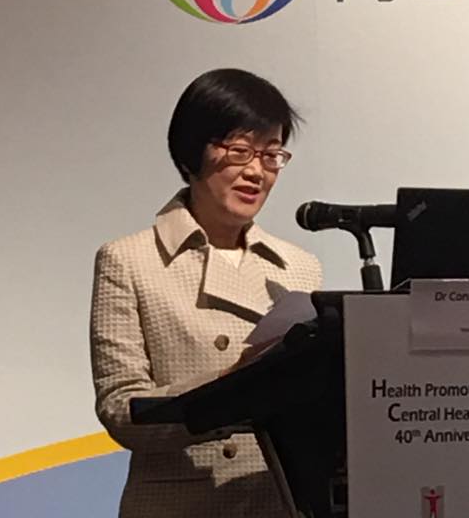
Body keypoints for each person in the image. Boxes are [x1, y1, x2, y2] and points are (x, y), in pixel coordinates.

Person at [90, 68, 322, 518]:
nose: (256, 171)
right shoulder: (128, 260)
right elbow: (121, 410)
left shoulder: (299, 267)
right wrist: (231, 385)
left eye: (271, 154)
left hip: (275, 502)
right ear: (192, 152)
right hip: (183, 504)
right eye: (239, 151)